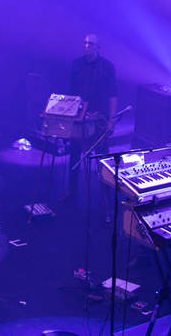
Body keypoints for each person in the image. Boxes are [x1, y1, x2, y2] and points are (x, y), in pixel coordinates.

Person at [67, 34, 118, 215]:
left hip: (100, 119)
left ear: (98, 47)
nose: (87, 47)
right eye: (85, 43)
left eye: (91, 44)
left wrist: (111, 119)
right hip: (80, 118)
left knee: (102, 158)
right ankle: (71, 192)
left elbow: (113, 95)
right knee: (74, 154)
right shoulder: (76, 65)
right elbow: (71, 93)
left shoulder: (107, 67)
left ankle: (105, 197)